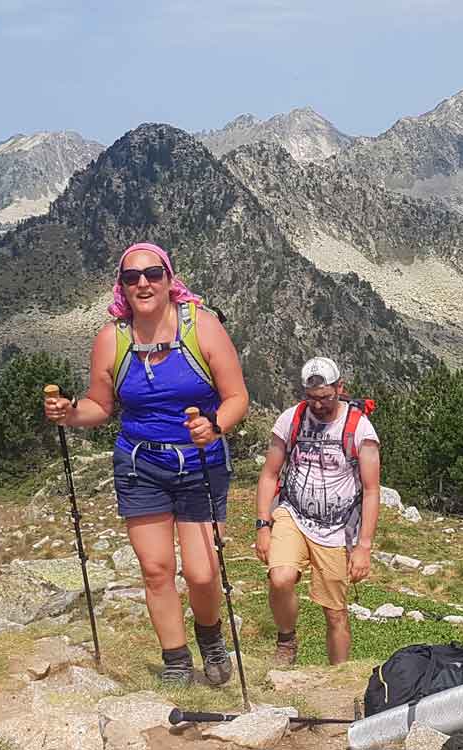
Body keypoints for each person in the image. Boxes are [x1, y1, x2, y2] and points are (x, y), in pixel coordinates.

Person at [43, 242, 249, 686]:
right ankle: (176, 662)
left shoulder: (203, 328)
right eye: (132, 277)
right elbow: (101, 404)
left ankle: (210, 638)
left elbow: (237, 398)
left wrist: (214, 424)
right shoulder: (112, 339)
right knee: (155, 569)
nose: (143, 283)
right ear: (122, 287)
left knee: (202, 570)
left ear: (169, 280)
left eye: (153, 274)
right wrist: (71, 412)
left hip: (199, 461)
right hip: (140, 464)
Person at [253, 357, 379, 666]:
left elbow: (372, 489)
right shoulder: (291, 419)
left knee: (335, 611)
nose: (319, 405)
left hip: (338, 527)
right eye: (312, 398)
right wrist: (262, 526)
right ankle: (286, 642)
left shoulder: (359, 427)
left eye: (325, 397)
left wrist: (364, 547)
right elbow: (270, 474)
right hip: (292, 514)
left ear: (340, 388)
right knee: (280, 578)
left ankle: (338, 675)